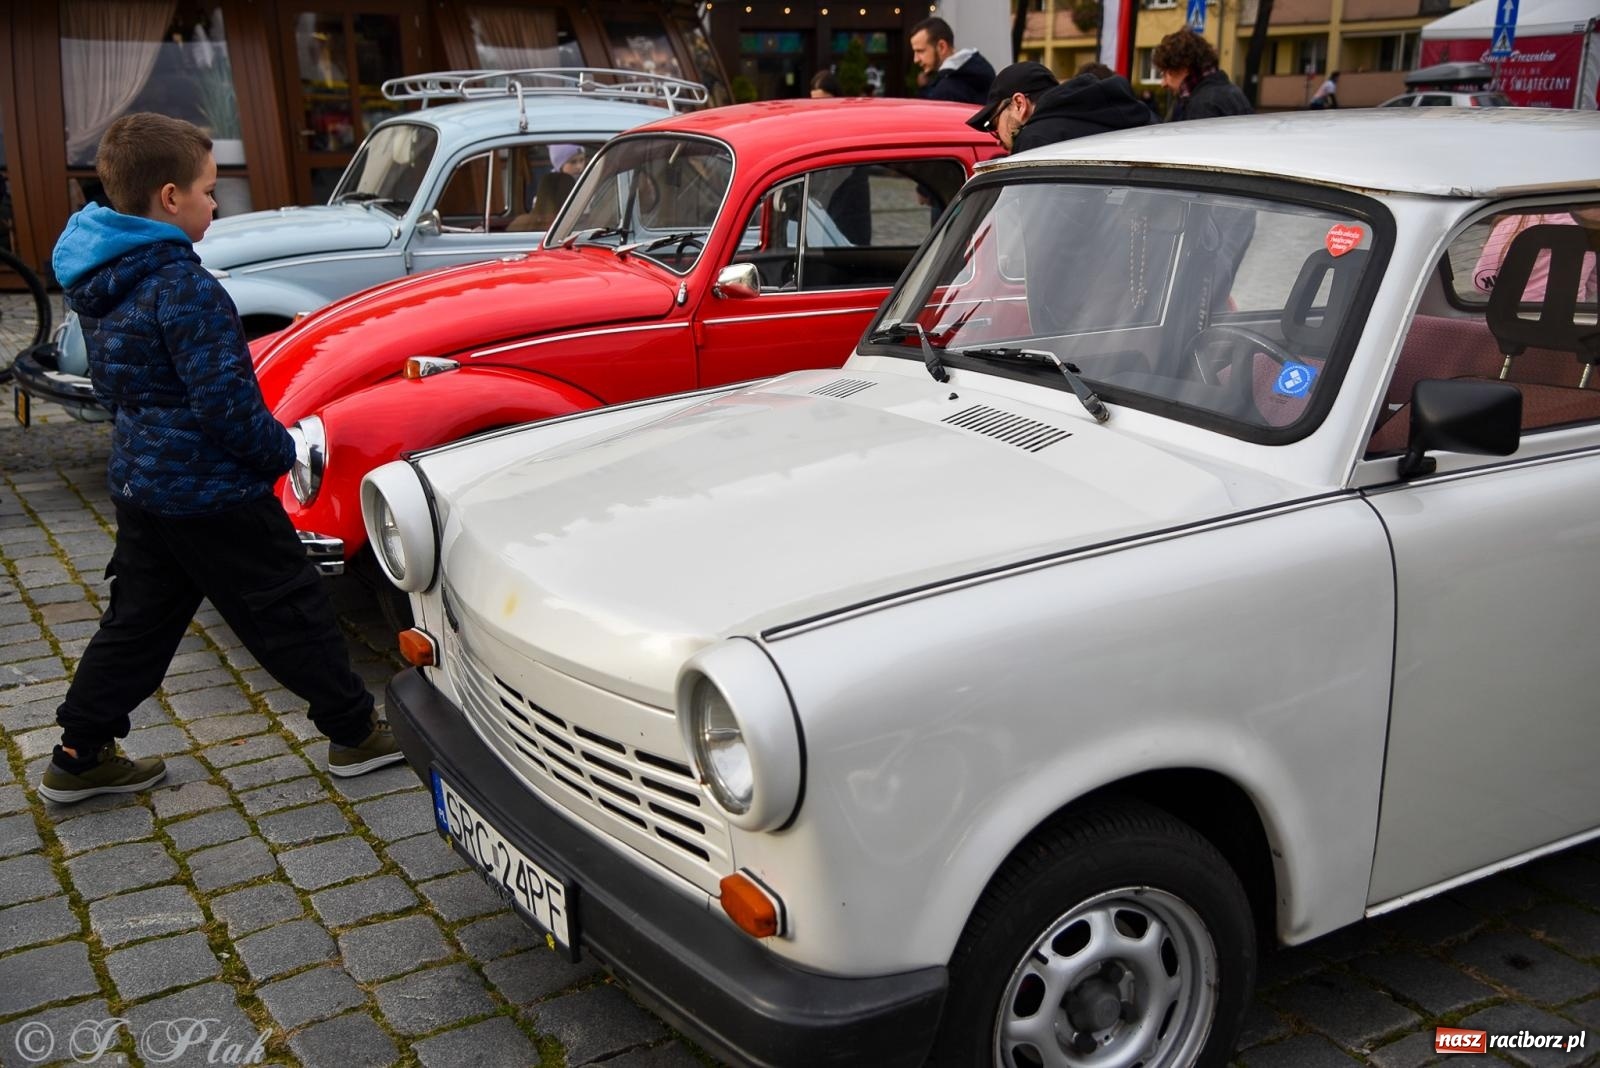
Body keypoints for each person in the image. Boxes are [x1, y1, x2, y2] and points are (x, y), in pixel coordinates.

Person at [38, 113, 403, 804]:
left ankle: (79, 754)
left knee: (139, 622)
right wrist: (282, 452)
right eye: (209, 191)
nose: (216, 205)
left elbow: (116, 388)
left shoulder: (102, 275)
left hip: (143, 482)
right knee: (290, 606)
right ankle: (356, 733)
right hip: (212, 493)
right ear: (169, 197)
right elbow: (227, 409)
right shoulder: (186, 287)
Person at [967, 61, 1154, 154]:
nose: (998, 141)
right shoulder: (1135, 116)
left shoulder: (1034, 140)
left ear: (1019, 104)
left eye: (994, 125)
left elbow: (1038, 214)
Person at [1152, 27, 1252, 121]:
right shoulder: (1233, 92)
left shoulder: (1202, 105)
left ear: (1184, 68)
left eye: (1166, 74)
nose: (1163, 84)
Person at [910, 16, 995, 105]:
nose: (916, 60)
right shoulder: (981, 67)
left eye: (920, 51)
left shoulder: (946, 90)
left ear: (942, 47)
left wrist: (923, 89)